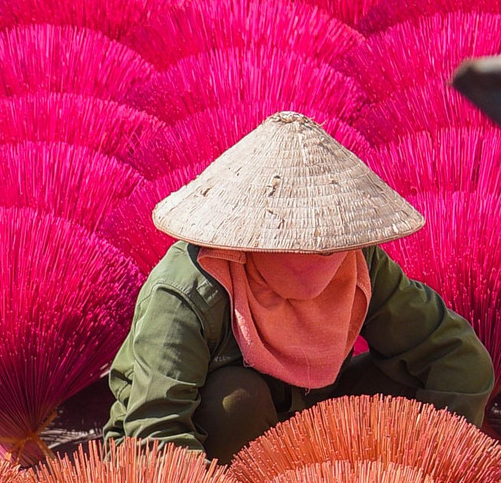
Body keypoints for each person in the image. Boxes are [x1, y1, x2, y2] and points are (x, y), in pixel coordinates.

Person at [104, 110, 492, 463]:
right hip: (199, 459)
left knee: (404, 382)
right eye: (301, 240)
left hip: (305, 419)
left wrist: (437, 462)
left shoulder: (357, 264)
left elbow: (456, 357)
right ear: (253, 237)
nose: (324, 254)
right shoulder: (187, 289)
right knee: (236, 399)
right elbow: (156, 430)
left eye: (332, 242)